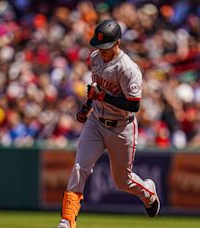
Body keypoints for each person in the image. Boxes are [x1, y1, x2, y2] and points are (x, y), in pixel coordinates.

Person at [57, 19, 160, 228]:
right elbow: (95, 89)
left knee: (122, 181)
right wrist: (87, 107)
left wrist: (102, 97)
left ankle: (148, 193)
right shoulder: (95, 57)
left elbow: (133, 105)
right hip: (96, 122)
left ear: (118, 43)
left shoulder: (128, 69)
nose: (102, 51)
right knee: (79, 167)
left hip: (122, 127)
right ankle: (67, 221)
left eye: (106, 47)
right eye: (99, 47)